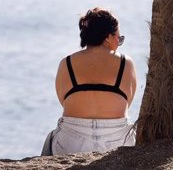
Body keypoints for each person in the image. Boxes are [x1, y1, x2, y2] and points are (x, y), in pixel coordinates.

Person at [43, 8, 137, 155]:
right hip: (117, 139)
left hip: (70, 142)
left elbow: (63, 100)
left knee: (51, 138)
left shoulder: (66, 63)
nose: (119, 43)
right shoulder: (126, 63)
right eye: (119, 38)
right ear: (107, 37)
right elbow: (127, 102)